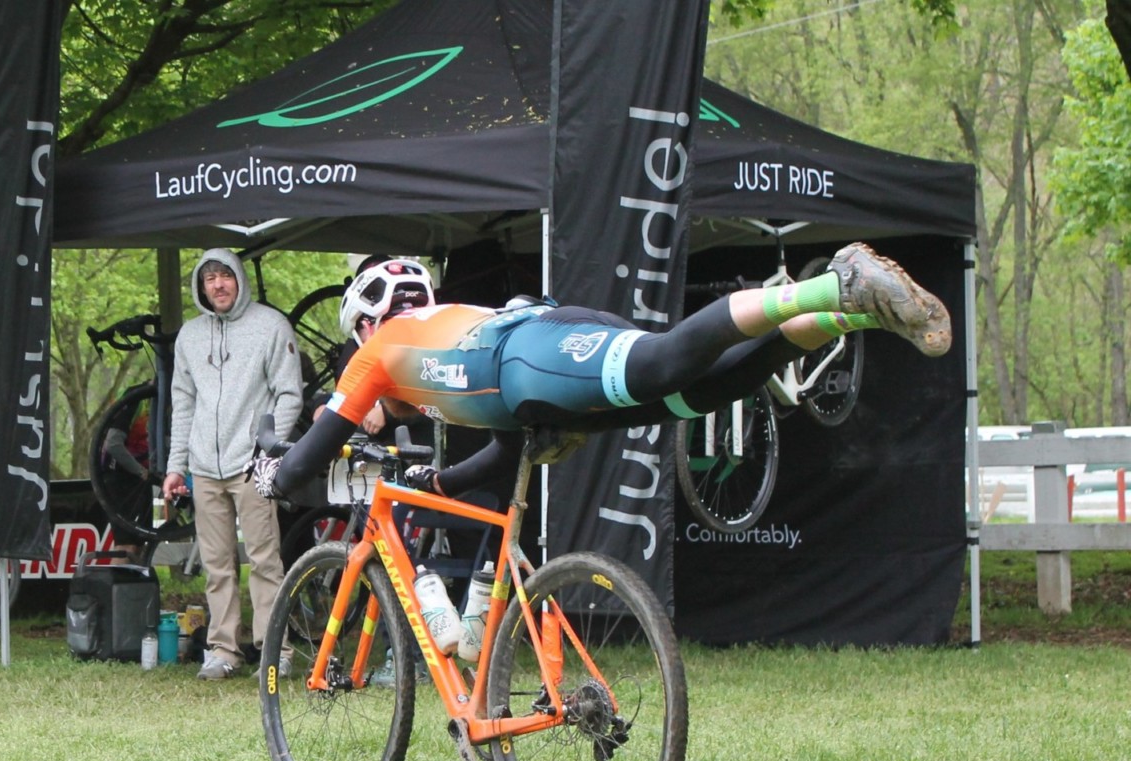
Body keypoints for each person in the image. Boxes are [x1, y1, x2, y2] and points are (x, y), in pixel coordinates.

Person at [262, 243, 951, 505]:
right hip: (535, 391)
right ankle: (856, 315)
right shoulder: (426, 354)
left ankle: (830, 283)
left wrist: (268, 476)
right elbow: (510, 441)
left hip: (531, 354)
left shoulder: (377, 356)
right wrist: (438, 480)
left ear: (360, 326)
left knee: (670, 361)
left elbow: (302, 469)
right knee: (709, 388)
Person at [163, 248, 304, 680]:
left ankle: (273, 650)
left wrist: (268, 452)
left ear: (239, 279)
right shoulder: (189, 335)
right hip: (205, 467)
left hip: (253, 465)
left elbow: (290, 395)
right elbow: (182, 404)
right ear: (200, 287)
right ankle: (223, 650)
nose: (219, 284)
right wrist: (175, 465)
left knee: (265, 560)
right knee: (217, 563)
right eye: (210, 279)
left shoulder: (270, 326)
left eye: (226, 275)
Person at [98, 386, 154, 562]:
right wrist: (140, 471)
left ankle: (136, 588)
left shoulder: (168, 398)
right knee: (126, 546)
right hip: (118, 475)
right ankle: (114, 588)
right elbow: (113, 444)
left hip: (140, 479)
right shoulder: (136, 398)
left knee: (139, 546)